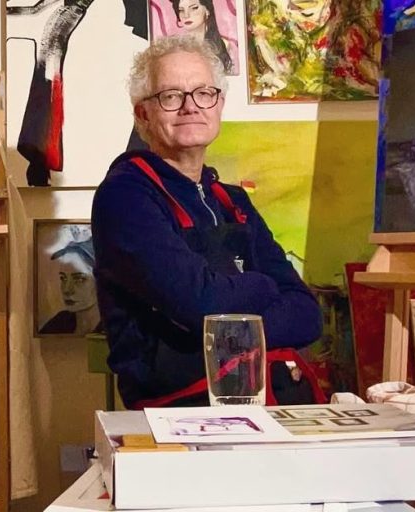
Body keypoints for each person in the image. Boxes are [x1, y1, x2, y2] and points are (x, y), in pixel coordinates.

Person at [91, 34, 322, 409]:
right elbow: (201, 303)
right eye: (171, 96)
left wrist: (227, 316)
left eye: (203, 93)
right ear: (143, 113)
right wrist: (264, 286)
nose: (190, 107)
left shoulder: (234, 202)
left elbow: (307, 316)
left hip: (272, 403)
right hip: (180, 413)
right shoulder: (125, 197)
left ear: (219, 105)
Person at [39, 238, 102, 335]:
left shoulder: (114, 330)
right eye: (63, 278)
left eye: (79, 279)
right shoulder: (59, 323)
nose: (67, 289)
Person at [169, 0, 233, 75]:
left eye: (194, 8)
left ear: (207, 11)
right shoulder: (175, 48)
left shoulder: (223, 44)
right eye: (181, 10)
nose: (186, 15)